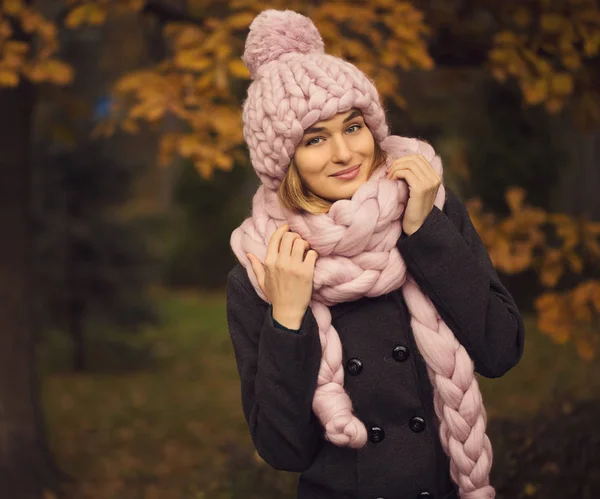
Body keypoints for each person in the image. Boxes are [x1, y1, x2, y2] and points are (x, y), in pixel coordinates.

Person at [226, 9, 525, 499]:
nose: (344, 154)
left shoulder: (431, 211)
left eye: (354, 126)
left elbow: (501, 350)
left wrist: (423, 231)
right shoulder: (262, 267)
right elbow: (284, 451)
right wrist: (287, 318)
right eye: (315, 139)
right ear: (283, 162)